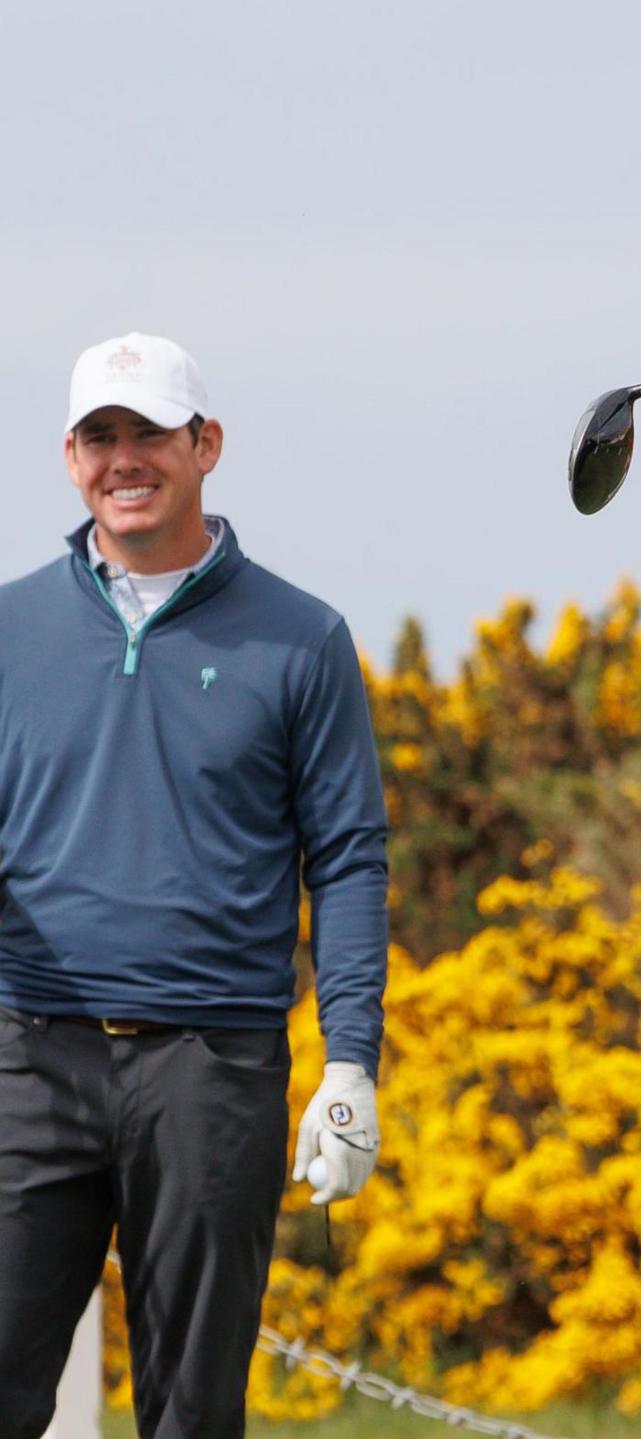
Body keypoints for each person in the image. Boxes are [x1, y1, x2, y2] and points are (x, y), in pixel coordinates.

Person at [0, 334, 388, 1439]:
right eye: (100, 436)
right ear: (71, 458)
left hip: (212, 1068)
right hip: (31, 1055)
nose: (126, 459)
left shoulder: (302, 637)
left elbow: (351, 856)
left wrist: (350, 1054)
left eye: (150, 434)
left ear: (204, 445)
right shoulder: (9, 627)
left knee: (192, 1412)